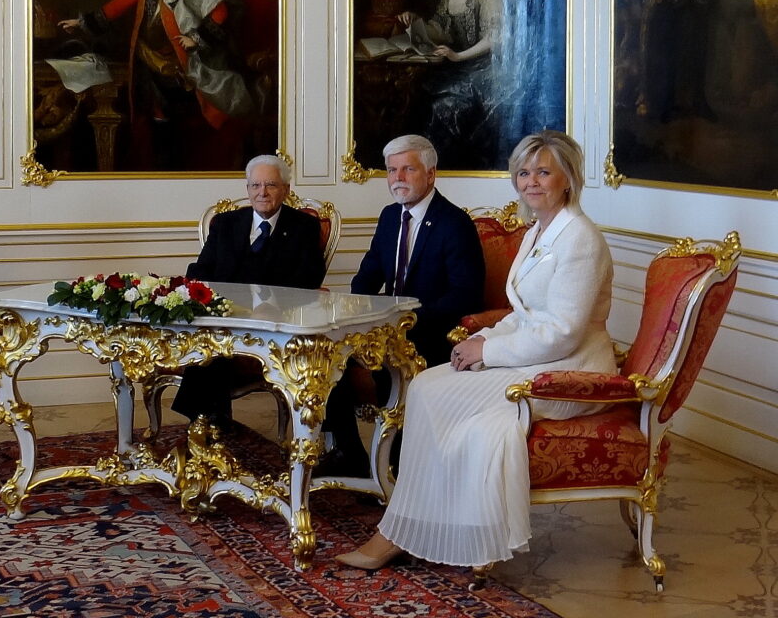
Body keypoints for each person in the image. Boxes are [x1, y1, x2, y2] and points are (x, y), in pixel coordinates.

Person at [336, 130, 615, 571]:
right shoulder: (538, 231)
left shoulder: (580, 238)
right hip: (535, 356)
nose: (531, 182)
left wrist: (490, 350)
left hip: (571, 370)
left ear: (568, 178)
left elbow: (562, 332)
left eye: (543, 172)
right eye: (523, 173)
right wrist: (480, 340)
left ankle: (404, 531)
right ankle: (413, 523)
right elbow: (523, 314)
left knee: (438, 397)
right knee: (426, 385)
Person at [319, 134, 485, 477]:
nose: (398, 178)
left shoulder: (454, 223)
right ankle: (350, 453)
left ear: (431, 173)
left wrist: (404, 320)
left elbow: (464, 295)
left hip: (432, 332)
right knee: (324, 355)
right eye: (392, 170)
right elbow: (365, 279)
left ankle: (398, 464)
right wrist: (354, 311)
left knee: (390, 362)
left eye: (408, 169)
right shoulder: (390, 216)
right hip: (386, 329)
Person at [58, 0, 252, 170]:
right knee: (153, 114)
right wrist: (82, 23)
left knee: (177, 115)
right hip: (146, 59)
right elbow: (116, 7)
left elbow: (220, 11)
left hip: (178, 62)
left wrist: (195, 39)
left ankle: (173, 168)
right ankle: (160, 168)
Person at [172, 154, 326, 426]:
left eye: (271, 185)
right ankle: (211, 421)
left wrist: (270, 303)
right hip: (226, 317)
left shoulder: (304, 226)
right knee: (211, 350)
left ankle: (208, 422)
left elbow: (310, 277)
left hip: (276, 322)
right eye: (255, 185)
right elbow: (201, 269)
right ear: (247, 189)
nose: (262, 192)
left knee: (214, 354)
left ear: (286, 190)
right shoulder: (226, 223)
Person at [398, 0, 498, 168]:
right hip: (456, 65)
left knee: (442, 106)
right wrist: (416, 22)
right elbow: (440, 29)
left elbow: (494, 38)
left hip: (481, 69)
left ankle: (437, 167)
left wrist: (458, 56)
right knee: (417, 95)